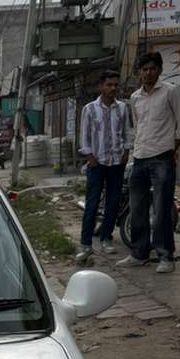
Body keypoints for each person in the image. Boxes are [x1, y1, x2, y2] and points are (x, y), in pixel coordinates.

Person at [117, 51, 180, 274]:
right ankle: (139, 253)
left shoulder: (171, 92)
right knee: (137, 208)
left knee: (161, 209)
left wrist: (170, 150)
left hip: (162, 159)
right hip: (140, 159)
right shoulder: (136, 97)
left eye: (152, 69)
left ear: (159, 70)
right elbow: (138, 128)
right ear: (140, 72)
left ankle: (165, 255)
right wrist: (133, 154)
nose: (148, 73)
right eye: (144, 69)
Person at [76, 69, 129, 263]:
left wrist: (126, 152)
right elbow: (85, 136)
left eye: (115, 84)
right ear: (101, 86)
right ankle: (85, 243)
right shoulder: (89, 109)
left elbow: (126, 132)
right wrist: (90, 157)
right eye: (109, 84)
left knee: (113, 203)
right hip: (97, 163)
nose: (113, 88)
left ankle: (106, 238)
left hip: (116, 163)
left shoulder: (122, 108)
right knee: (92, 204)